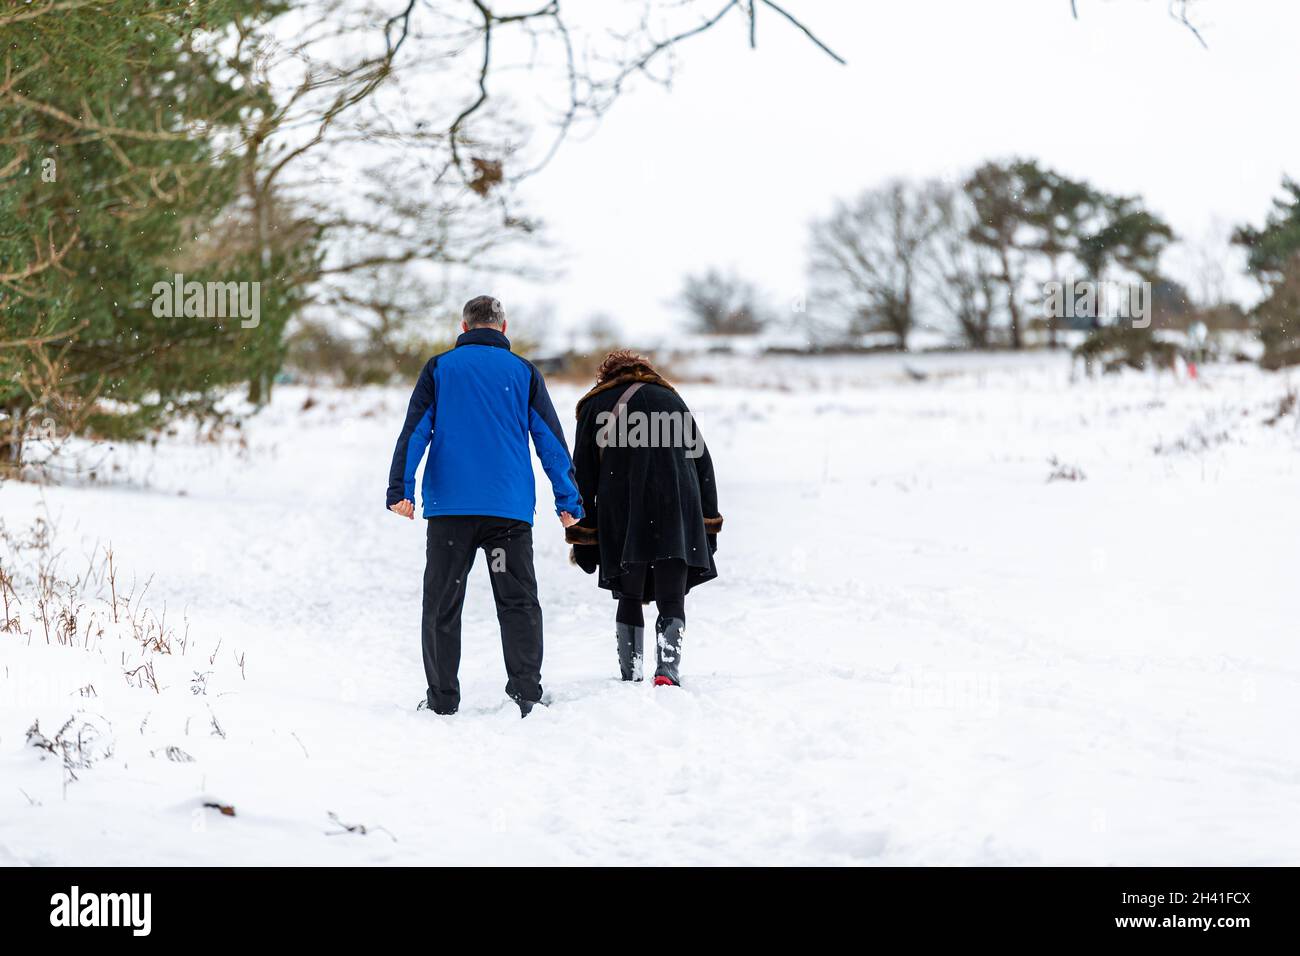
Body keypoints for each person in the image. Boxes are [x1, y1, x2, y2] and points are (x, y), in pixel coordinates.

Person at [386, 296, 581, 717]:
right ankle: (526, 692)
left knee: (442, 604)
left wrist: (401, 490)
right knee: (517, 602)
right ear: (504, 328)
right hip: (506, 517)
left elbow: (415, 431)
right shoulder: (524, 372)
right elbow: (550, 439)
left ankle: (441, 699)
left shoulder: (440, 369)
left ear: (464, 326)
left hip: (450, 513)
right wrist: (567, 499)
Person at [566, 350, 722, 686]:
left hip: (624, 512)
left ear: (605, 375)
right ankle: (667, 669)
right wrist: (708, 522)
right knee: (671, 595)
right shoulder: (672, 400)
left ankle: (631, 672)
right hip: (678, 508)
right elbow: (703, 465)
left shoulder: (596, 406)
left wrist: (584, 534)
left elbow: (583, 476)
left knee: (629, 593)